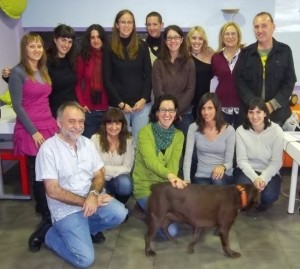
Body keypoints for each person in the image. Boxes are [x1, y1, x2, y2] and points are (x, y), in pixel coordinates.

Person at [35, 101, 128, 268]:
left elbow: (99, 173)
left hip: (90, 200)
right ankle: (49, 234)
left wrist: (93, 195)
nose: (77, 126)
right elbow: (53, 190)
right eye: (72, 121)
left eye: (81, 121)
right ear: (59, 123)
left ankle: (84, 230)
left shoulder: (87, 143)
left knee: (119, 212)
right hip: (66, 210)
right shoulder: (48, 150)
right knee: (84, 260)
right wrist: (86, 202)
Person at [7, 33, 58, 251]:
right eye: (32, 46)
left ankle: (53, 208)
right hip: (31, 129)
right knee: (38, 173)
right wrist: (34, 131)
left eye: (39, 46)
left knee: (52, 170)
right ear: (24, 49)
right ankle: (46, 216)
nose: (36, 49)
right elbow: (18, 106)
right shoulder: (18, 72)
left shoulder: (43, 70)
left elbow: (44, 99)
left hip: (48, 124)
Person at [133, 94, 187, 236]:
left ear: (175, 113)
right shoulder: (145, 132)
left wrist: (171, 184)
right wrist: (170, 175)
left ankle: (155, 212)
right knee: (171, 231)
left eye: (171, 110)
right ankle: (143, 207)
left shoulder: (179, 135)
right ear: (156, 113)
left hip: (164, 188)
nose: (167, 114)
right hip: (145, 187)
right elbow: (151, 161)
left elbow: (174, 165)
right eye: (163, 110)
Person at [235, 11, 297, 129]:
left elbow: (289, 82)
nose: (259, 30)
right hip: (251, 116)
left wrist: (272, 105)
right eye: (256, 27)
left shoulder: (285, 51)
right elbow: (239, 81)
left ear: (273, 27)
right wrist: (255, 105)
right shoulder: (245, 53)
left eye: (264, 26)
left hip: (278, 116)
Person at [103, 9, 152, 144]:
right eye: (123, 22)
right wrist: (121, 104)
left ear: (133, 25)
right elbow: (107, 79)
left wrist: (143, 99)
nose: (126, 25)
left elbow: (149, 75)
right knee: (117, 144)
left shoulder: (142, 45)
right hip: (118, 107)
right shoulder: (108, 47)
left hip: (141, 107)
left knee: (139, 145)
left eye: (129, 22)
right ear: (117, 25)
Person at [235, 97, 283, 211]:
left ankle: (261, 201)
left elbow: (276, 162)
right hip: (246, 171)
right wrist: (255, 178)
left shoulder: (276, 131)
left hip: (269, 171)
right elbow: (242, 161)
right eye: (251, 112)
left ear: (265, 113)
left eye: (258, 112)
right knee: (246, 189)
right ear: (247, 114)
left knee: (269, 196)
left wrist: (263, 178)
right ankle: (251, 199)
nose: (254, 116)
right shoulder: (240, 131)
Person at [152, 25, 196, 136]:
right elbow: (158, 91)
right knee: (162, 149)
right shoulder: (158, 63)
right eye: (169, 38)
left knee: (187, 147)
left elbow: (190, 89)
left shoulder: (189, 62)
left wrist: (176, 112)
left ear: (181, 39)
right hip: (163, 114)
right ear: (165, 41)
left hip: (184, 113)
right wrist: (168, 112)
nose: (173, 41)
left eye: (176, 37)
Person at [183, 93, 235, 184]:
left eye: (210, 108)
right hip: (202, 175)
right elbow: (188, 157)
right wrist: (187, 179)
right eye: (203, 108)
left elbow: (229, 162)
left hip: (223, 176)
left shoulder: (229, 130)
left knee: (217, 180)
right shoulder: (193, 127)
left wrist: (222, 167)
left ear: (217, 109)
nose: (206, 112)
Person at [91, 108, 134, 205]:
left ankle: (121, 205)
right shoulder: (95, 139)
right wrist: (104, 171)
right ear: (104, 125)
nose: (114, 127)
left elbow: (127, 167)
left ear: (122, 125)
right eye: (110, 123)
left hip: (117, 180)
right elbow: (92, 167)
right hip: (98, 179)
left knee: (126, 183)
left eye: (117, 123)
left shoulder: (128, 140)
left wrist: (104, 169)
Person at [75, 24, 109, 138]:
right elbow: (78, 83)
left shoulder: (109, 56)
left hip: (108, 110)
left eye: (98, 37)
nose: (96, 40)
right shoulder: (83, 57)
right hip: (89, 111)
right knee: (87, 145)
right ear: (88, 39)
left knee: (105, 147)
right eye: (92, 37)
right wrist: (82, 104)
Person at [211, 22, 244, 128]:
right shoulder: (216, 57)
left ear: (238, 36)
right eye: (227, 34)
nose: (230, 37)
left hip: (243, 107)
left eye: (233, 34)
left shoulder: (246, 55)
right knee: (224, 141)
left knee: (241, 141)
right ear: (222, 37)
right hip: (222, 107)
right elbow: (212, 81)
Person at [47, 24, 78, 117]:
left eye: (70, 42)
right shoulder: (44, 60)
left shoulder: (72, 60)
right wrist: (8, 76)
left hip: (70, 110)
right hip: (52, 112)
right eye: (63, 40)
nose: (66, 45)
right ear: (55, 39)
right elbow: (27, 78)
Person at [186, 26, 213, 119]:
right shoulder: (184, 56)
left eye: (200, 38)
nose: (197, 41)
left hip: (205, 102)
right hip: (188, 104)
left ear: (204, 40)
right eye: (194, 38)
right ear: (189, 39)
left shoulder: (210, 54)